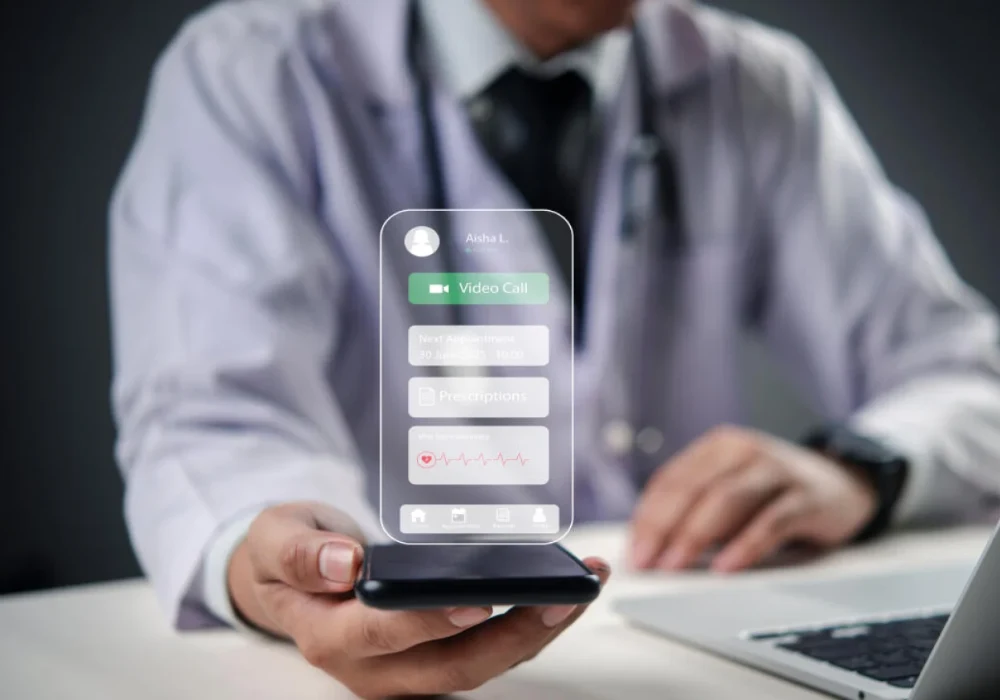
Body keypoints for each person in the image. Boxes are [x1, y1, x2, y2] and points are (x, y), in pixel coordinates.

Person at [109, 0, 1000, 696]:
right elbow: (213, 421)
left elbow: (965, 375)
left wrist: (860, 468)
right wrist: (293, 572)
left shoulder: (752, 82)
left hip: (683, 648)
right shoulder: (251, 74)